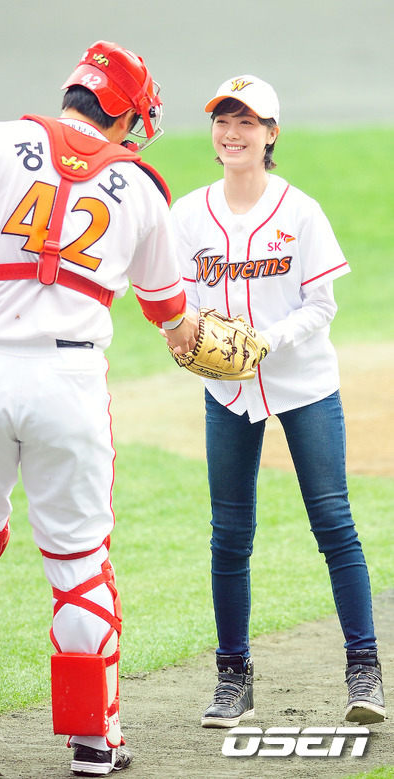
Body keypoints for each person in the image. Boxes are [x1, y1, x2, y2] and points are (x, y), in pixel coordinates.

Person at [0, 40, 198, 776]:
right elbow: (168, 312)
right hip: (68, 380)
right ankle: (94, 740)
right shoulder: (143, 188)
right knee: (79, 562)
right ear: (126, 115)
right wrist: (208, 339)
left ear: (74, 93)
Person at [167, 74, 385, 729]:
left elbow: (323, 305)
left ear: (271, 134)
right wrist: (184, 337)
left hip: (304, 386)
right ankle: (232, 677)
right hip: (227, 392)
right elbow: (175, 304)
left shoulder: (300, 212)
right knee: (230, 536)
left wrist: (267, 339)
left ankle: (364, 670)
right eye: (223, 120)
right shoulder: (189, 216)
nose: (232, 133)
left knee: (333, 522)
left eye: (247, 122)